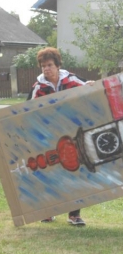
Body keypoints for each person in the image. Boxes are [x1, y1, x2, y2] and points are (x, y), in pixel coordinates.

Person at [27, 46, 93, 226]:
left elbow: (89, 91)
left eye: (49, 65)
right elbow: (27, 111)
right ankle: (49, 211)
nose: (46, 69)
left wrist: (91, 86)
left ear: (57, 66)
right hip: (49, 136)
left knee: (75, 171)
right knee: (51, 172)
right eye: (43, 66)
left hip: (73, 134)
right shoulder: (38, 87)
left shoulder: (72, 80)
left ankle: (74, 215)